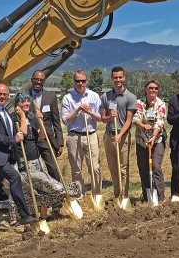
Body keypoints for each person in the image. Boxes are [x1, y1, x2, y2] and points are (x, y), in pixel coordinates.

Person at [0, 84, 36, 232]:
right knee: (15, 177)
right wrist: (13, 140)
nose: (3, 97)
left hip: (6, 156)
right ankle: (24, 214)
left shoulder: (5, 111)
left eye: (5, 94)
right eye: (0, 94)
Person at [11, 92, 75, 220]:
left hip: (35, 158)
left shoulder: (31, 117)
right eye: (23, 102)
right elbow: (22, 133)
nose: (26, 104)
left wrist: (40, 122)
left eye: (28, 101)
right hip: (22, 160)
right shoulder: (14, 118)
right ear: (17, 104)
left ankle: (43, 214)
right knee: (26, 188)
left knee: (42, 187)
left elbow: (41, 136)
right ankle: (20, 216)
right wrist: (22, 116)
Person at [61, 70, 102, 198]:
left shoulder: (94, 96)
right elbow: (66, 120)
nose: (80, 83)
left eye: (83, 81)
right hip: (74, 135)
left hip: (91, 135)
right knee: (76, 168)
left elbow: (99, 118)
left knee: (95, 167)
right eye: (77, 81)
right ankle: (80, 195)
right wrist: (78, 109)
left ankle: (97, 194)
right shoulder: (67, 98)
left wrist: (89, 112)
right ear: (74, 81)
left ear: (86, 81)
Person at [100, 67, 137, 199]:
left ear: (124, 77)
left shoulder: (130, 97)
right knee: (113, 169)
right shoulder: (106, 96)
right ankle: (117, 195)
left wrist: (120, 135)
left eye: (120, 77)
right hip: (109, 135)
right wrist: (110, 117)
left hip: (122, 135)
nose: (118, 80)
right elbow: (103, 119)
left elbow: (129, 120)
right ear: (112, 78)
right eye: (115, 77)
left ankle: (124, 196)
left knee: (123, 168)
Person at [133, 79, 167, 202]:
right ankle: (147, 195)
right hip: (141, 140)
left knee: (156, 167)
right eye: (151, 88)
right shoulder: (138, 103)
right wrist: (143, 126)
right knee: (143, 168)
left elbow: (160, 122)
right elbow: (135, 118)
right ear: (145, 89)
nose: (153, 90)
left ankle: (160, 196)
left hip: (156, 140)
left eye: (156, 88)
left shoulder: (161, 104)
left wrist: (153, 136)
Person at [28, 70, 64, 182]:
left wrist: (60, 142)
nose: (38, 82)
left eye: (41, 80)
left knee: (53, 167)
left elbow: (56, 121)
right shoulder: (24, 95)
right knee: (31, 169)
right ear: (32, 80)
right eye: (36, 79)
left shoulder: (51, 96)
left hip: (47, 138)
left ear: (44, 82)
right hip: (30, 139)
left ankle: (57, 191)